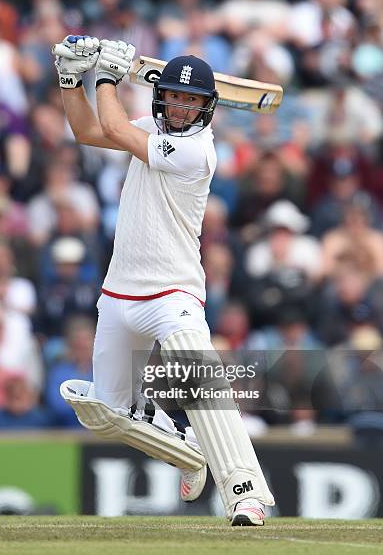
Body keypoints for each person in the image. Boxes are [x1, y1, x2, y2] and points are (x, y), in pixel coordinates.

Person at [54, 35, 274, 525]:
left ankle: (245, 494)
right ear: (162, 96)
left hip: (173, 290)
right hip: (118, 291)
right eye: (175, 95)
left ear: (206, 108)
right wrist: (72, 77)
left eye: (192, 100)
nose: (180, 107)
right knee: (106, 415)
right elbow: (89, 131)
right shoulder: (149, 130)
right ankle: (189, 453)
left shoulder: (196, 152)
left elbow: (109, 120)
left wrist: (107, 74)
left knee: (202, 380)